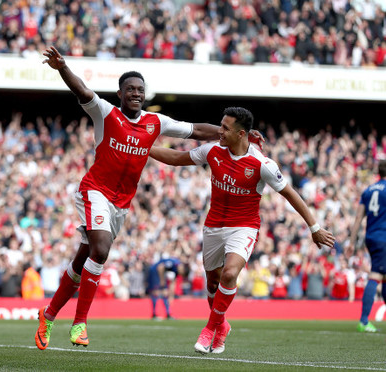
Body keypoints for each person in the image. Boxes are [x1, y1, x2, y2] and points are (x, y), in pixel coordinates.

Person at [35, 46, 264, 351]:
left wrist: (236, 136)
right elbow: (82, 90)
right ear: (120, 94)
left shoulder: (156, 122)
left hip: (121, 203)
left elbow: (195, 130)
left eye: (140, 90)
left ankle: (48, 315)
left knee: (82, 261)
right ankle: (80, 323)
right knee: (101, 251)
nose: (136, 94)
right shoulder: (106, 113)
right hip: (94, 191)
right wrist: (62, 67)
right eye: (130, 89)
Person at [149, 107, 335, 354]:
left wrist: (314, 227)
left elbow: (290, 194)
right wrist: (143, 148)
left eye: (225, 128)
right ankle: (222, 326)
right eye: (221, 126)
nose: (220, 131)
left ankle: (209, 330)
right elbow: (175, 158)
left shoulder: (262, 164)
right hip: (213, 226)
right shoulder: (212, 150)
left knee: (229, 274)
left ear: (241, 134)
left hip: (244, 227)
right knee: (213, 284)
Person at [346, 159, 386, 333]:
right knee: (376, 275)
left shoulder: (368, 190)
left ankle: (364, 319)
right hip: (383, 237)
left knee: (384, 277)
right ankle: (363, 320)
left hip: (371, 237)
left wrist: (352, 241)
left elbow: (358, 218)